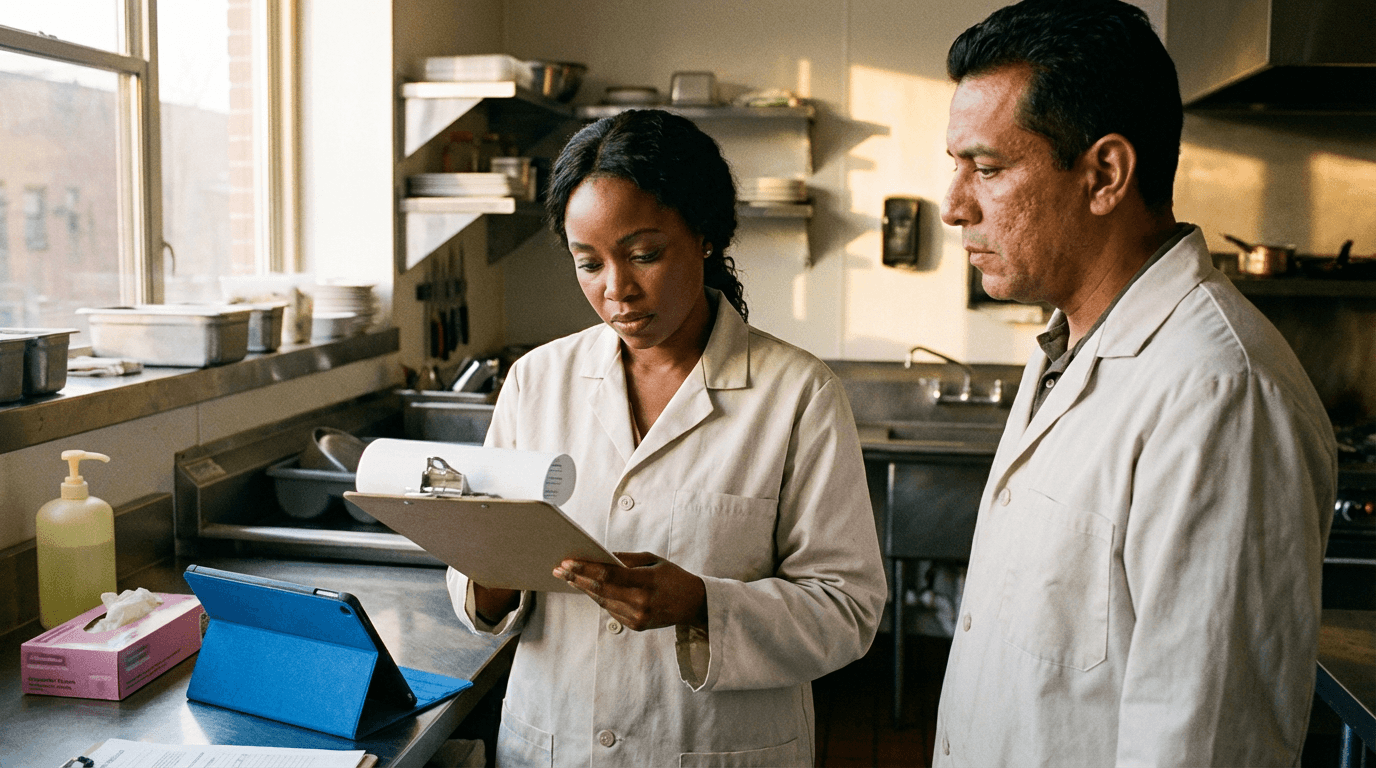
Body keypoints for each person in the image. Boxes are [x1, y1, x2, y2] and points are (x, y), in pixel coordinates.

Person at [931, 1, 1337, 765]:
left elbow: (1204, 739)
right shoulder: (1066, 345)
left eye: (986, 169)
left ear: (1105, 175)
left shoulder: (1220, 393)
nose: (954, 206)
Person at [445, 109, 886, 767]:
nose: (616, 290)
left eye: (644, 255)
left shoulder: (797, 393)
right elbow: (481, 574)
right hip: (557, 744)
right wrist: (489, 581)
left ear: (704, 235)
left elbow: (848, 610)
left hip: (717, 749)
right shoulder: (538, 381)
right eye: (588, 263)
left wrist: (702, 604)